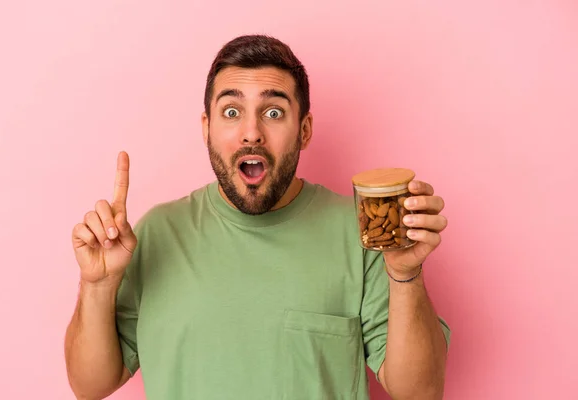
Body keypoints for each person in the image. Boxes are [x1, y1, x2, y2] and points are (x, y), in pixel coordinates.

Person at [64, 34, 451, 400]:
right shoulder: (156, 233)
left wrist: (404, 273)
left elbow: (420, 391)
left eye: (273, 112)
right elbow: (89, 385)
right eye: (231, 111)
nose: (252, 133)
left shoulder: (361, 233)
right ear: (207, 128)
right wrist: (97, 285)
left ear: (304, 130)